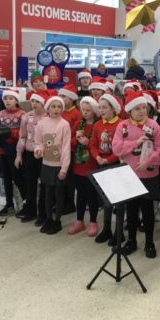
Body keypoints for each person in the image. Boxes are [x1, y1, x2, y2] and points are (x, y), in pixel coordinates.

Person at [112, 91, 160, 258]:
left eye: (144, 107)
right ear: (129, 110)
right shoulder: (123, 126)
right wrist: (135, 142)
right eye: (137, 108)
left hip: (148, 175)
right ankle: (131, 241)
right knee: (132, 209)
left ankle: (149, 242)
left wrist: (148, 162)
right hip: (129, 175)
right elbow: (116, 147)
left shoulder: (153, 126)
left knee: (148, 210)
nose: (142, 111)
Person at [34, 95, 71, 235]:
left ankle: (57, 221)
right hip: (46, 164)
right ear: (48, 108)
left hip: (59, 165)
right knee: (47, 193)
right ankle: (49, 218)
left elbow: (66, 147)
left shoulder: (64, 124)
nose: (56, 109)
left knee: (58, 193)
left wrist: (64, 168)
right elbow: (39, 141)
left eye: (59, 106)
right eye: (53, 106)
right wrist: (38, 150)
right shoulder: (42, 123)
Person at [89, 94, 123, 245]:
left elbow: (120, 148)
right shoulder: (97, 125)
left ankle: (119, 232)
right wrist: (97, 157)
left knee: (118, 200)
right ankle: (107, 228)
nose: (101, 110)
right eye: (100, 107)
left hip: (116, 165)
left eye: (105, 107)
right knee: (106, 199)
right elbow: (93, 144)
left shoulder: (121, 124)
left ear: (113, 109)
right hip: (101, 164)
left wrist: (109, 159)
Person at [68, 97, 101, 237]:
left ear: (94, 111)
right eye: (83, 110)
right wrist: (76, 139)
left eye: (88, 110)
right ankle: (79, 220)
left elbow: (100, 147)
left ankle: (93, 221)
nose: (85, 113)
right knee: (80, 194)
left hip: (92, 165)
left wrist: (88, 142)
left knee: (92, 195)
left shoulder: (98, 125)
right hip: (79, 165)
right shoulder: (78, 124)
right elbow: (70, 144)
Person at [15, 91, 48, 224]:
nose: (34, 104)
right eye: (32, 101)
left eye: (37, 101)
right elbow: (22, 137)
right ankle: (30, 210)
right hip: (29, 154)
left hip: (43, 155)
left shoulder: (48, 117)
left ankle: (43, 213)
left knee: (44, 184)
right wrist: (18, 154)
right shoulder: (26, 117)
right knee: (30, 182)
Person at [0, 89, 27, 216]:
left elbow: (22, 133)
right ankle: (9, 203)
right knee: (6, 177)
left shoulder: (22, 114)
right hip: (2, 149)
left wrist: (8, 132)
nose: (8, 101)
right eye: (5, 98)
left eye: (11, 98)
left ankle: (25, 202)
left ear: (17, 100)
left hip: (15, 151)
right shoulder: (1, 113)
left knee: (18, 177)